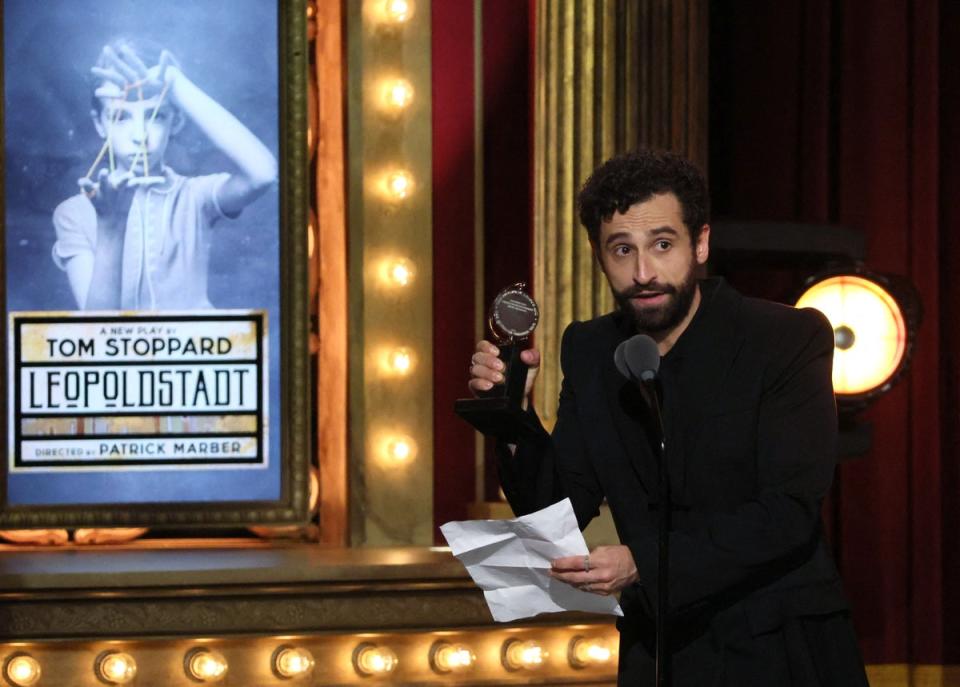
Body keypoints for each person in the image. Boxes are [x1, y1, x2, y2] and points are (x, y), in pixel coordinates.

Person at [468, 150, 869, 686]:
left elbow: (786, 513)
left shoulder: (785, 340)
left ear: (699, 243)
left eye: (662, 244)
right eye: (622, 250)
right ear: (598, 254)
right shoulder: (589, 349)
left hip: (778, 644)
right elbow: (557, 504)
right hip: (660, 652)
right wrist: (511, 417)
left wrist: (642, 564)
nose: (643, 273)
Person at [51, 38, 278, 310]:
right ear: (100, 123)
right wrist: (110, 226)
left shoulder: (195, 196)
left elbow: (264, 174)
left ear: (177, 120)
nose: (140, 136)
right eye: (121, 117)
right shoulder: (75, 213)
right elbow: (98, 327)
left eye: (155, 115)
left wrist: (175, 83)